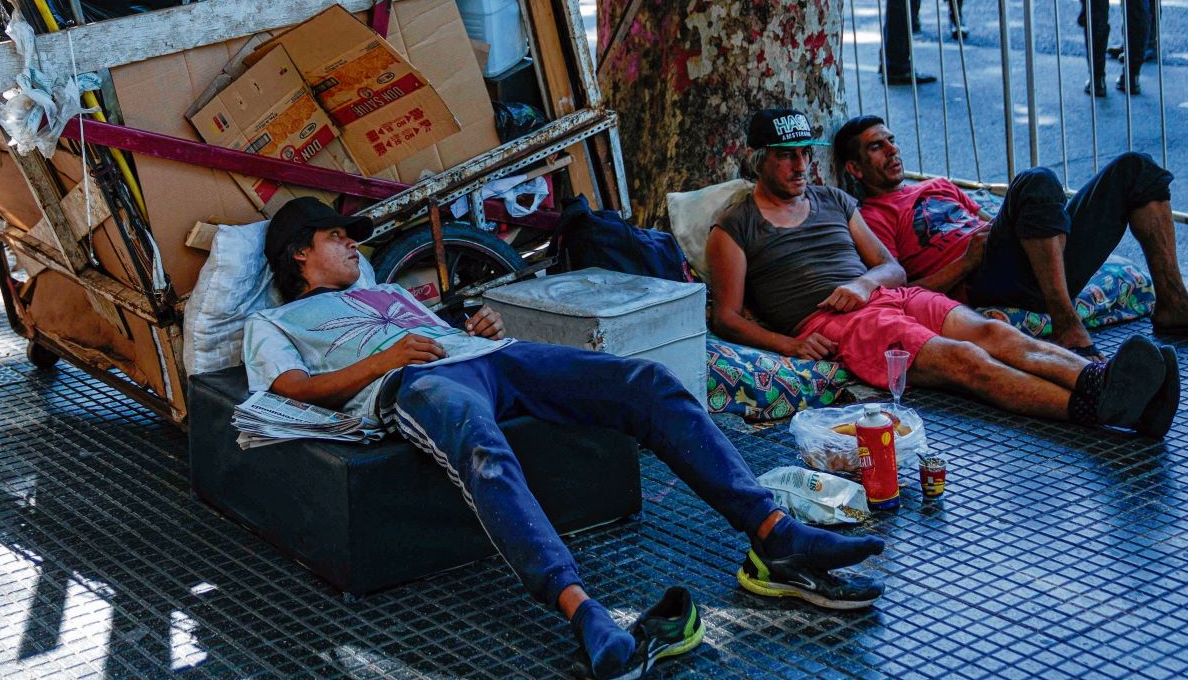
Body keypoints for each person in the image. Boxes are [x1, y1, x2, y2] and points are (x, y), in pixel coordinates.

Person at [244, 196, 887, 680]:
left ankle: (774, 535)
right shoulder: (273, 320)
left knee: (646, 381)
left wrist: (482, 327)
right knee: (481, 450)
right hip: (418, 385)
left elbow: (450, 331)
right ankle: (585, 612)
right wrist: (380, 365)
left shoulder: (385, 292)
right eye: (337, 237)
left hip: (486, 357)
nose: (353, 246)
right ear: (299, 252)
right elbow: (291, 388)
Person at [704, 109, 1180, 438]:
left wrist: (864, 282)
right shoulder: (736, 225)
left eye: (805, 152)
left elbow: (891, 267)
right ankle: (1096, 406)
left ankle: (1105, 378)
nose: (800, 164)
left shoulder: (834, 201)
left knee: (995, 332)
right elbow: (724, 316)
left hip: (889, 297)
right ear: (757, 159)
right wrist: (791, 345)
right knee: (966, 360)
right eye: (786, 155)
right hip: (839, 322)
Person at [833, 115, 1188, 359]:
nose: (892, 151)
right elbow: (899, 294)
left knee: (1135, 168)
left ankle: (1174, 304)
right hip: (988, 275)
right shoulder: (872, 216)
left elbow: (993, 219)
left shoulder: (939, 184)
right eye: (876, 147)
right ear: (854, 169)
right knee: (1035, 179)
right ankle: (1066, 323)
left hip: (1027, 256)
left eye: (892, 140)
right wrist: (966, 263)